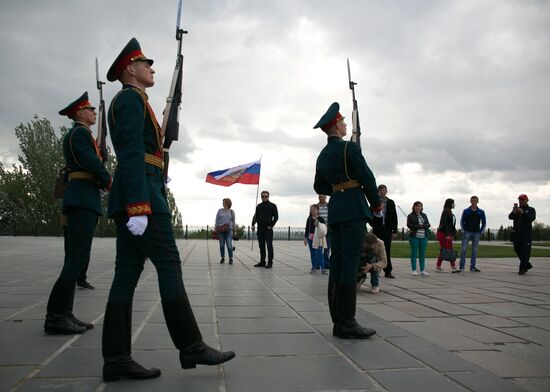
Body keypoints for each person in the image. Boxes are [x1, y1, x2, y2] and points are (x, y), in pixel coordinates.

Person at [101, 38, 234, 382]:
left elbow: (145, 150)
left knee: (125, 277)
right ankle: (190, 345)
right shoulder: (129, 100)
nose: (152, 68)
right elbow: (130, 153)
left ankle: (116, 358)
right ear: (131, 69)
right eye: (146, 63)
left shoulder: (136, 101)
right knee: (169, 265)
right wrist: (139, 206)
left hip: (142, 189)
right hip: (142, 196)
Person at [44, 92, 112, 335]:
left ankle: (64, 312)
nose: (94, 112)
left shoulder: (82, 134)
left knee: (77, 260)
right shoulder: (79, 133)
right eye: (90, 109)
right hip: (82, 201)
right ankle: (55, 316)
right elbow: (90, 163)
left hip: (84, 200)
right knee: (75, 261)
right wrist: (108, 179)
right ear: (79, 113)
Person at [313, 102, 382, 339]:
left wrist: (337, 185)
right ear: (336, 126)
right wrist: (376, 202)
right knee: (350, 264)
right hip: (352, 207)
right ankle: (347, 322)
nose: (345, 125)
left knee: (339, 263)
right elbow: (366, 176)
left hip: (337, 209)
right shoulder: (348, 149)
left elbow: (319, 186)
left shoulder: (323, 155)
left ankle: (338, 321)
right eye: (342, 122)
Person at [371, 184, 398, 278]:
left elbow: (394, 216)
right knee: (375, 249)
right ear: (378, 192)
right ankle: (375, 269)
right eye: (380, 190)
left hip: (387, 229)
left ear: (386, 191)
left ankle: (388, 271)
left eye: (384, 190)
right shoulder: (375, 201)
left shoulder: (390, 202)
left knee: (387, 250)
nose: (382, 192)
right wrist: (373, 225)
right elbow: (371, 215)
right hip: (377, 229)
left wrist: (395, 231)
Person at [509, 194, 536, 275]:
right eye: (520, 200)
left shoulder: (531, 209)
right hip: (516, 234)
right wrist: (514, 212)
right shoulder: (516, 209)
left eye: (523, 200)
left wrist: (523, 213)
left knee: (525, 252)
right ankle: (527, 264)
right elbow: (510, 217)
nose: (521, 201)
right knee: (517, 250)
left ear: (527, 200)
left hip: (526, 234)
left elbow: (531, 218)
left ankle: (522, 269)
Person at [251, 190, 278, 268]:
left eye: (266, 196)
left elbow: (276, 217)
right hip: (260, 229)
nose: (264, 197)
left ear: (268, 196)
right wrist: (253, 224)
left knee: (269, 246)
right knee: (261, 246)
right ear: (261, 197)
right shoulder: (258, 206)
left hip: (268, 229)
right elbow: (255, 216)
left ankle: (270, 262)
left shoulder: (273, 206)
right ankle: (262, 262)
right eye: (262, 196)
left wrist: (271, 225)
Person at [459, 196, 486, 272]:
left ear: (477, 201)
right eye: (472, 200)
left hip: (476, 232)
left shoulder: (481, 211)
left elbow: (483, 222)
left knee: (474, 250)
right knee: (463, 249)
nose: (473, 201)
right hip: (467, 232)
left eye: (475, 200)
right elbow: (462, 221)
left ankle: (473, 267)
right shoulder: (466, 211)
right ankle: (462, 266)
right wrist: (463, 230)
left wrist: (480, 231)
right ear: (470, 201)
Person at [436, 198, 460, 273]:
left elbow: (451, 225)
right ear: (450, 203)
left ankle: (453, 266)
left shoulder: (450, 212)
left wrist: (452, 234)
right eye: (453, 203)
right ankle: (438, 266)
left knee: (450, 249)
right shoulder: (445, 212)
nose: (454, 204)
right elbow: (444, 223)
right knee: (444, 250)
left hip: (448, 234)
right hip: (443, 233)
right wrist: (447, 234)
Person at [407, 201, 431, 276]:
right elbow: (409, 225)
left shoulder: (424, 215)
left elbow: (428, 224)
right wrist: (419, 226)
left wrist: (422, 226)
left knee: (422, 254)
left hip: (423, 237)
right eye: (416, 206)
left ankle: (422, 270)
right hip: (414, 237)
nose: (418, 207)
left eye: (419, 206)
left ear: (421, 207)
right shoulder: (410, 216)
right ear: (414, 207)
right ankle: (414, 270)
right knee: (414, 253)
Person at [303, 204, 327, 274]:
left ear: (317, 210)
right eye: (311, 209)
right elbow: (307, 228)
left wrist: (318, 224)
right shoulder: (309, 219)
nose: (312, 211)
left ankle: (323, 268)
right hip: (311, 238)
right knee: (313, 253)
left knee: (320, 253)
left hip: (318, 238)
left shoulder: (321, 219)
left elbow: (324, 229)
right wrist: (305, 238)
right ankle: (314, 267)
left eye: (314, 209)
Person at [215, 198, 235, 265]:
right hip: (220, 230)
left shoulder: (231, 211)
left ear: (227, 203)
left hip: (229, 230)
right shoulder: (220, 211)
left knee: (229, 244)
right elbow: (217, 220)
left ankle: (231, 258)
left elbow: (233, 221)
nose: (222, 203)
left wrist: (234, 230)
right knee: (222, 244)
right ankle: (222, 257)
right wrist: (216, 228)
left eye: (223, 202)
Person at [317, 194, 331, 268]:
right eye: (319, 196)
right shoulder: (316, 206)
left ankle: (326, 264)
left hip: (328, 229)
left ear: (326, 197)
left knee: (327, 247)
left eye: (322, 196)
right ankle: (317, 263)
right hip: (319, 229)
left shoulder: (329, 206)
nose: (321, 198)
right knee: (318, 247)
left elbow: (332, 216)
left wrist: (328, 226)